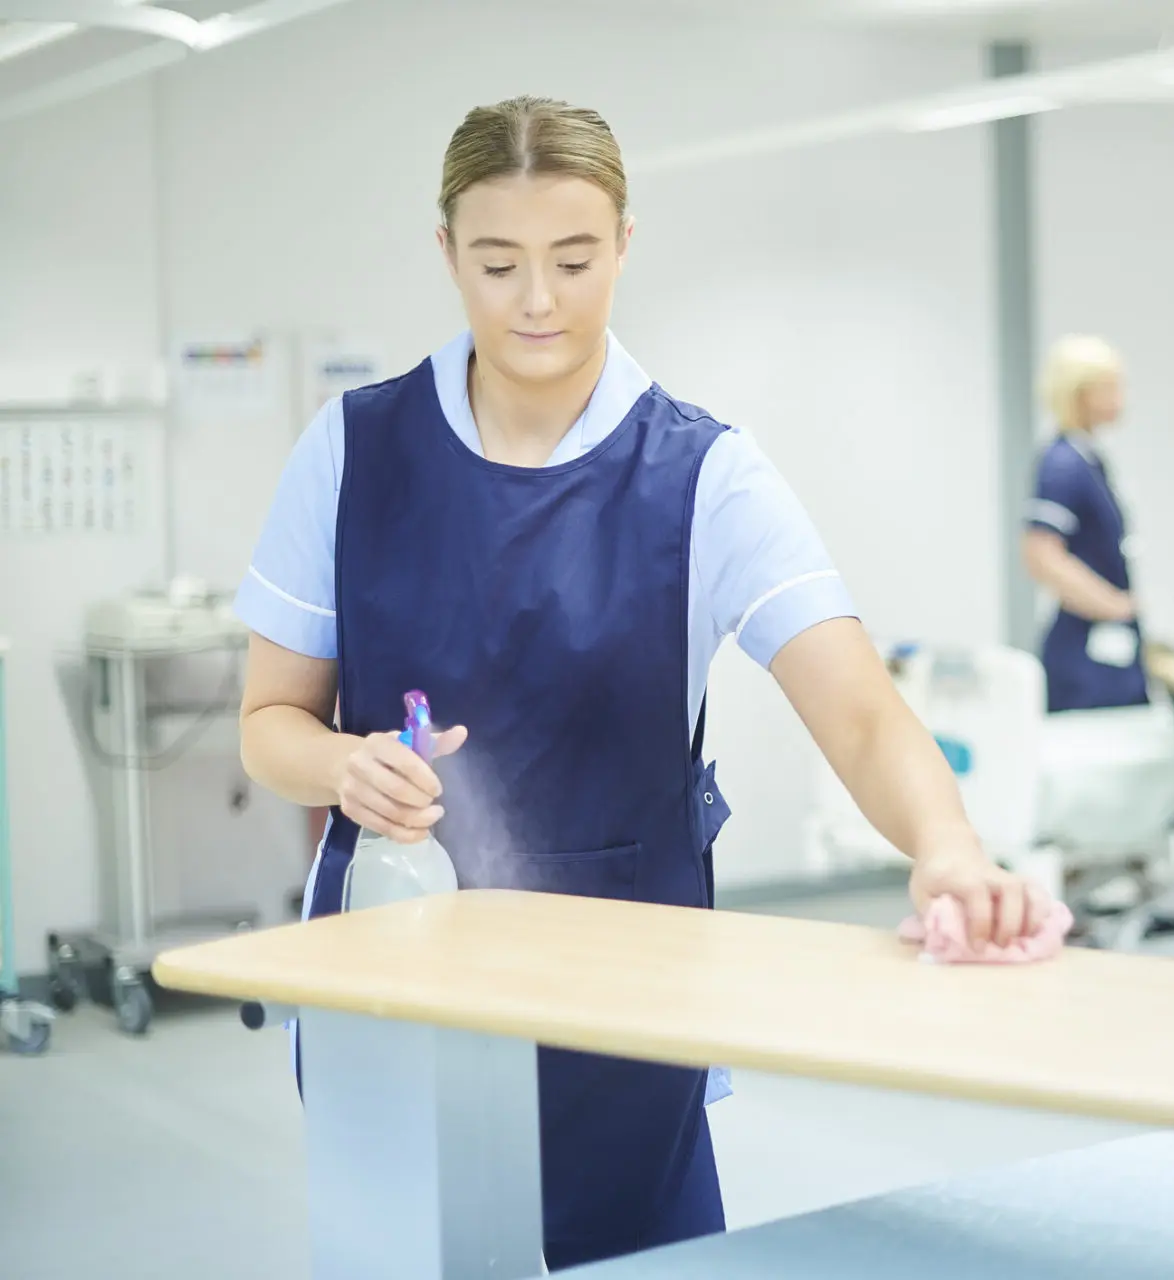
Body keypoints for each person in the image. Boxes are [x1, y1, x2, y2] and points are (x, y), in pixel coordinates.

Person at [233, 96, 1052, 1270]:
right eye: (497, 261)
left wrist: (950, 845)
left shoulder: (703, 473)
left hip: (624, 1002)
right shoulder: (354, 449)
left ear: (624, 241)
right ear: (446, 250)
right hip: (393, 982)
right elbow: (268, 724)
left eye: (573, 259)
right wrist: (339, 762)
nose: (536, 301)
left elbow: (862, 711)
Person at [1023, 335, 1149, 713]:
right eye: (1110, 387)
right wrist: (1113, 606)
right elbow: (1040, 555)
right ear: (1080, 393)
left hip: (1109, 647)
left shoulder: (1089, 458)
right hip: (1085, 655)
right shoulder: (1063, 464)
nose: (1120, 397)